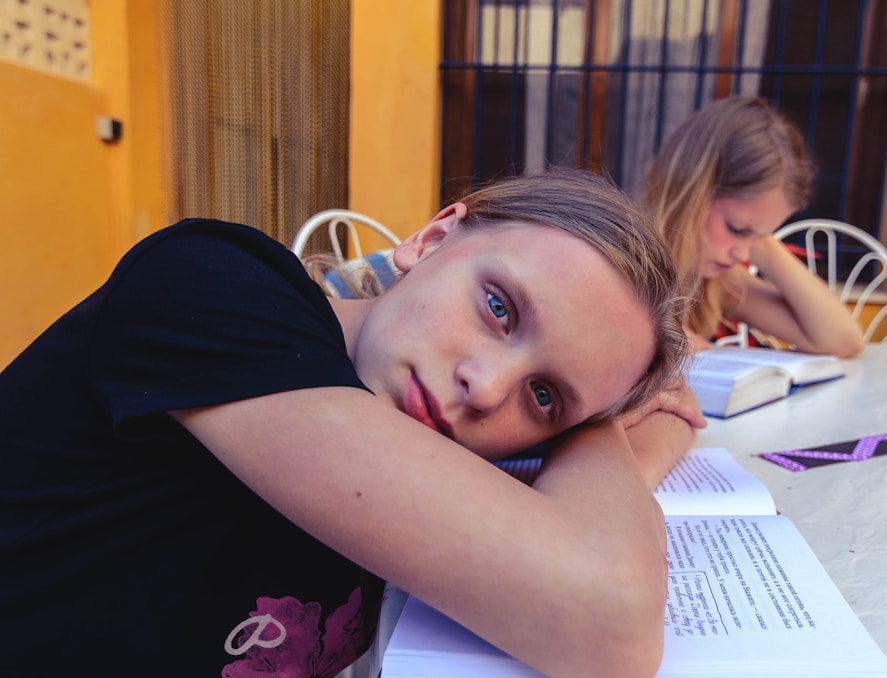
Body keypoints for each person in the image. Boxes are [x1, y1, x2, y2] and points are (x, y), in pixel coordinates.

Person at [0, 169, 693, 678]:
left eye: (543, 395)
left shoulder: (438, 436)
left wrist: (589, 412)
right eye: (499, 308)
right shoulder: (212, 287)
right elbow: (611, 620)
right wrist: (602, 431)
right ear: (432, 237)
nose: (484, 388)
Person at [643, 95, 865, 358]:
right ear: (690, 194)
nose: (744, 255)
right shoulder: (621, 270)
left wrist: (764, 244)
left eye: (758, 238)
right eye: (736, 228)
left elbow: (843, 341)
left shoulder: (714, 283)